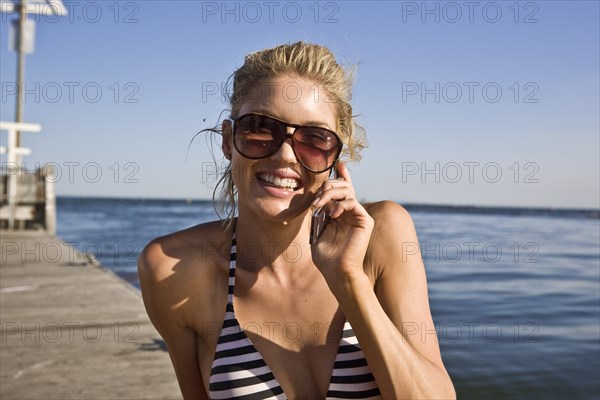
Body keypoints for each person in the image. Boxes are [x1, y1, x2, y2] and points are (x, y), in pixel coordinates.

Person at [138, 42, 455, 400]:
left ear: (335, 157)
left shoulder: (382, 237)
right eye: (260, 128)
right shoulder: (173, 270)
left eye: (314, 139)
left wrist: (348, 279)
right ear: (228, 141)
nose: (285, 155)